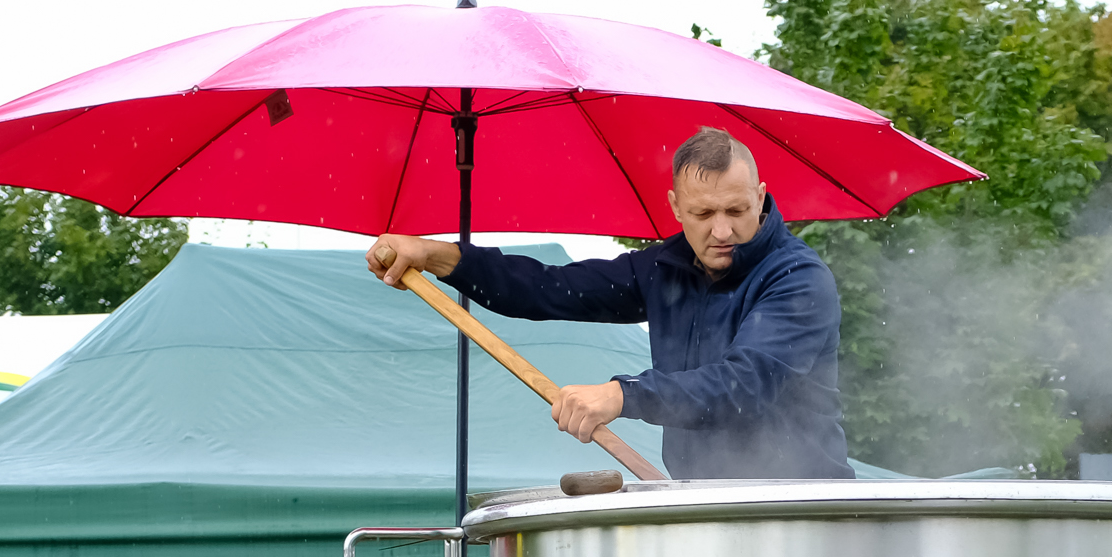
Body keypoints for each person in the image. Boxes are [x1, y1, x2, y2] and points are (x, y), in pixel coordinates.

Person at [363, 127, 850, 480]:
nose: (722, 231)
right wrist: (436, 254)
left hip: (803, 509)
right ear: (676, 207)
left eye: (737, 210)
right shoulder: (663, 268)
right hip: (701, 506)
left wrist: (623, 394)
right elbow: (546, 287)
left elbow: (744, 384)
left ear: (761, 197)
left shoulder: (797, 278)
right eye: (703, 213)